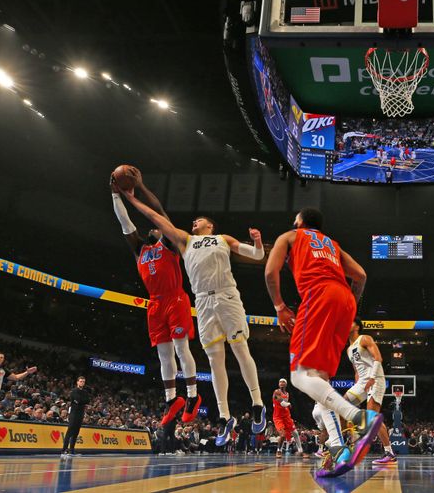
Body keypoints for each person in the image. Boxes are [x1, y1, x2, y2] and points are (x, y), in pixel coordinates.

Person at [118, 187, 268, 446]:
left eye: (199, 220)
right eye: (194, 221)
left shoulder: (223, 239)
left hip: (227, 295)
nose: (194, 222)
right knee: (214, 360)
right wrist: (132, 197)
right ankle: (224, 417)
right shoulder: (184, 240)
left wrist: (256, 241)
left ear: (210, 225)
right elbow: (156, 217)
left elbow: (257, 255)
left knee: (241, 350)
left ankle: (257, 404)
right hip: (203, 301)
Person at [265, 207, 382, 478]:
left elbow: (271, 273)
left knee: (297, 376)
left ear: (300, 222)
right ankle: (339, 448)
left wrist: (280, 306)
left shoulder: (291, 236)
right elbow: (361, 276)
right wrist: (347, 302)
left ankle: (359, 418)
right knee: (319, 383)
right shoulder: (334, 244)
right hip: (345, 301)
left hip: (319, 295)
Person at [109, 169, 201, 427]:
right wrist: (116, 195)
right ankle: (172, 399)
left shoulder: (169, 244)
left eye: (158, 229)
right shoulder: (140, 250)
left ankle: (193, 396)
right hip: (155, 304)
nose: (154, 229)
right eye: (151, 229)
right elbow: (125, 223)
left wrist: (140, 186)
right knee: (164, 355)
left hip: (176, 299)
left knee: (182, 348)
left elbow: (159, 214)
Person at [344, 318, 397, 466]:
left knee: (373, 417)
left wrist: (372, 378)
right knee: (340, 404)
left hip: (375, 379)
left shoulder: (364, 339)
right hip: (362, 382)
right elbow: (356, 370)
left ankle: (389, 452)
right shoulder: (349, 349)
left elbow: (378, 358)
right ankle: (341, 442)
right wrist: (357, 386)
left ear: (357, 327)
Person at [272, 378, 304, 457]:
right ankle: (278, 451)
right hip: (278, 417)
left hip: (287, 417)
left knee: (295, 433)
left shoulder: (287, 394)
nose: (281, 383)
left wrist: (287, 404)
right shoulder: (276, 392)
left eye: (283, 382)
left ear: (286, 384)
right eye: (280, 382)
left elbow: (284, 404)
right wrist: (288, 404)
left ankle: (301, 451)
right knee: (283, 435)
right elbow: (282, 403)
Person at [61, 376, 91, 458]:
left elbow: (87, 400)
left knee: (76, 432)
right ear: (77, 382)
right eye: (81, 381)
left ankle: (72, 450)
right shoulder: (73, 391)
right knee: (70, 431)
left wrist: (81, 401)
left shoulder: (85, 392)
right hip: (74, 413)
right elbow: (77, 400)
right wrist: (81, 401)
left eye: (83, 381)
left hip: (80, 414)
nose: (82, 383)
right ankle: (64, 450)